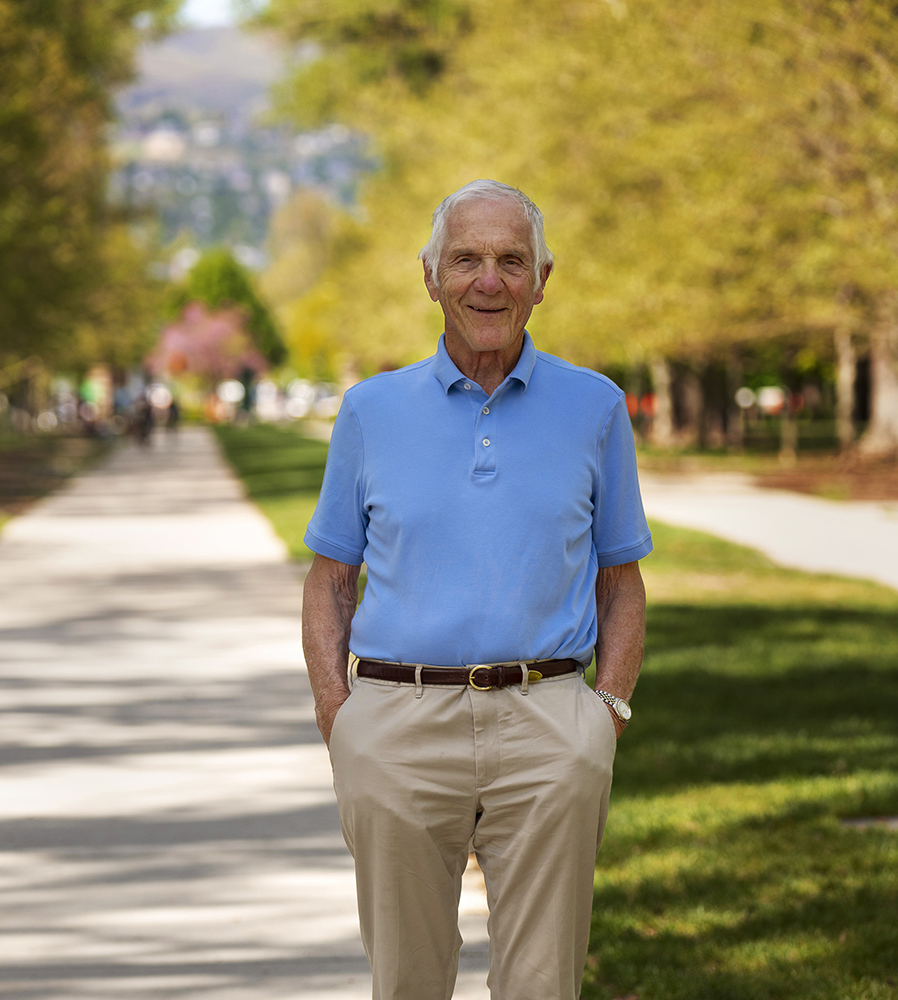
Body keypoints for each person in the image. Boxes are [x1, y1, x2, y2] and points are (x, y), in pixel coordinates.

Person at [302, 179, 652, 1000]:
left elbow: (622, 582)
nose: (487, 281)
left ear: (542, 278)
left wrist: (606, 714)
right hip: (396, 724)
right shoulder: (369, 410)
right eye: (465, 259)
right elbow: (329, 582)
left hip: (549, 725)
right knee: (408, 983)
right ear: (430, 277)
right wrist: (338, 712)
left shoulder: (596, 407)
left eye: (509, 260)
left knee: (543, 986)